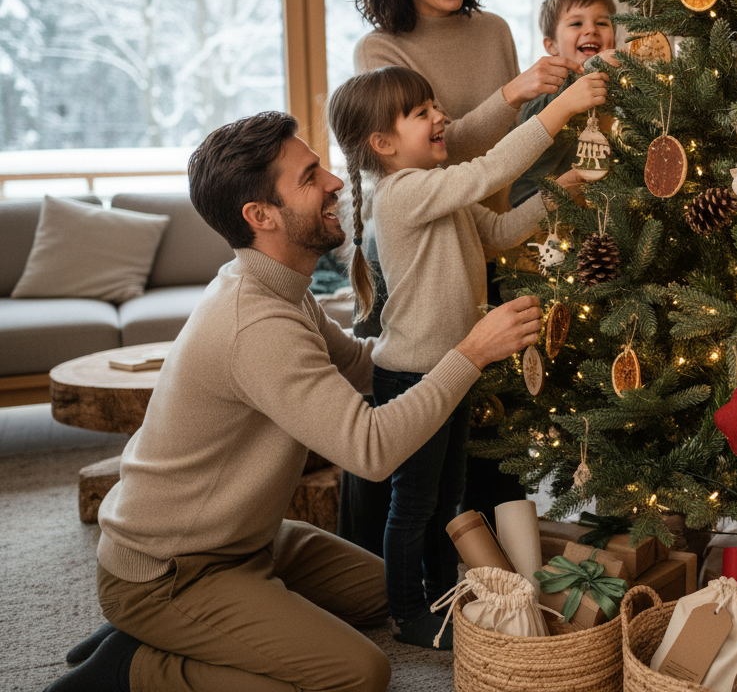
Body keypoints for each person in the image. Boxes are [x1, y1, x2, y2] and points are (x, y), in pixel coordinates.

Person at [44, 111, 543, 692]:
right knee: (358, 672)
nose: (335, 182)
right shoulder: (255, 323)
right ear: (260, 216)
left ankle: (184, 627)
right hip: (171, 569)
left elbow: (361, 365)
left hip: (248, 540)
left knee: (380, 593)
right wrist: (470, 353)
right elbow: (371, 449)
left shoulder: (282, 287)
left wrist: (436, 331)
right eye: (310, 177)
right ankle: (136, 665)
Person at [342, 0, 587, 554]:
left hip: (485, 236)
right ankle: (392, 568)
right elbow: (441, 160)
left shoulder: (495, 31)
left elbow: (504, 161)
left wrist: (565, 170)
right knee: (418, 431)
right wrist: (513, 94)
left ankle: (485, 562)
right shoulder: (380, 50)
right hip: (421, 249)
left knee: (487, 431)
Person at [326, 63, 605, 648]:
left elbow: (501, 230)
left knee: (443, 495)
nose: (440, 118)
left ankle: (435, 590)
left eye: (435, 107)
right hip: (412, 376)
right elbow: (492, 170)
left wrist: (562, 191)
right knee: (414, 502)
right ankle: (405, 612)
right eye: (421, 113)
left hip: (451, 370)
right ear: (382, 144)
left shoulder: (435, 187)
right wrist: (559, 110)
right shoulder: (402, 194)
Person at [511, 0, 618, 208]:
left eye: (602, 23)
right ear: (552, 47)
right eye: (576, 24)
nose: (591, 30)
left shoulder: (618, 90)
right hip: (535, 212)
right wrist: (594, 67)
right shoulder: (548, 88)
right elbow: (571, 90)